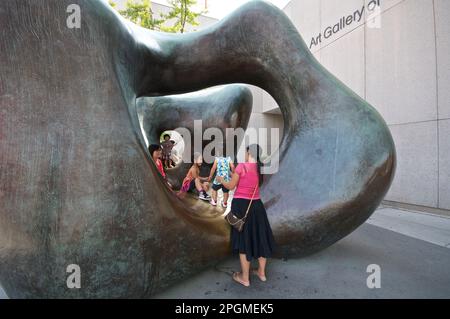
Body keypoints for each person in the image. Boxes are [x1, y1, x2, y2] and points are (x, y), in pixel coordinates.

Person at [217, 144, 275, 287]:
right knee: (261, 237)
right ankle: (261, 273)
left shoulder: (242, 166)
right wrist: (233, 175)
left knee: (244, 240)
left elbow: (231, 186)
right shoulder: (259, 169)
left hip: (241, 206)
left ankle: (244, 278)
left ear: (249, 152)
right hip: (257, 206)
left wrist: (221, 179)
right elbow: (247, 181)